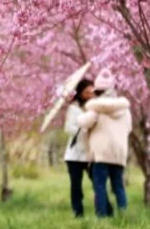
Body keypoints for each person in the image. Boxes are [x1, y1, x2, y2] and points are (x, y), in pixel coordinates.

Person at [78, 69, 132, 218]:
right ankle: (124, 215)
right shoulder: (125, 109)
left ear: (97, 91)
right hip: (119, 153)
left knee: (100, 186)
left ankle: (102, 218)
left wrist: (83, 114)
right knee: (119, 187)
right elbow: (129, 128)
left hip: (101, 153)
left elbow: (84, 122)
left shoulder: (96, 108)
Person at [63, 77, 95, 218]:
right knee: (76, 186)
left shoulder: (95, 107)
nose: (90, 95)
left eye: (92, 92)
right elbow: (68, 128)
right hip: (74, 155)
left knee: (97, 182)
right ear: (80, 92)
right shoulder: (73, 108)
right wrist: (82, 127)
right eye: (87, 92)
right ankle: (78, 213)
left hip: (91, 153)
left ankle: (105, 211)